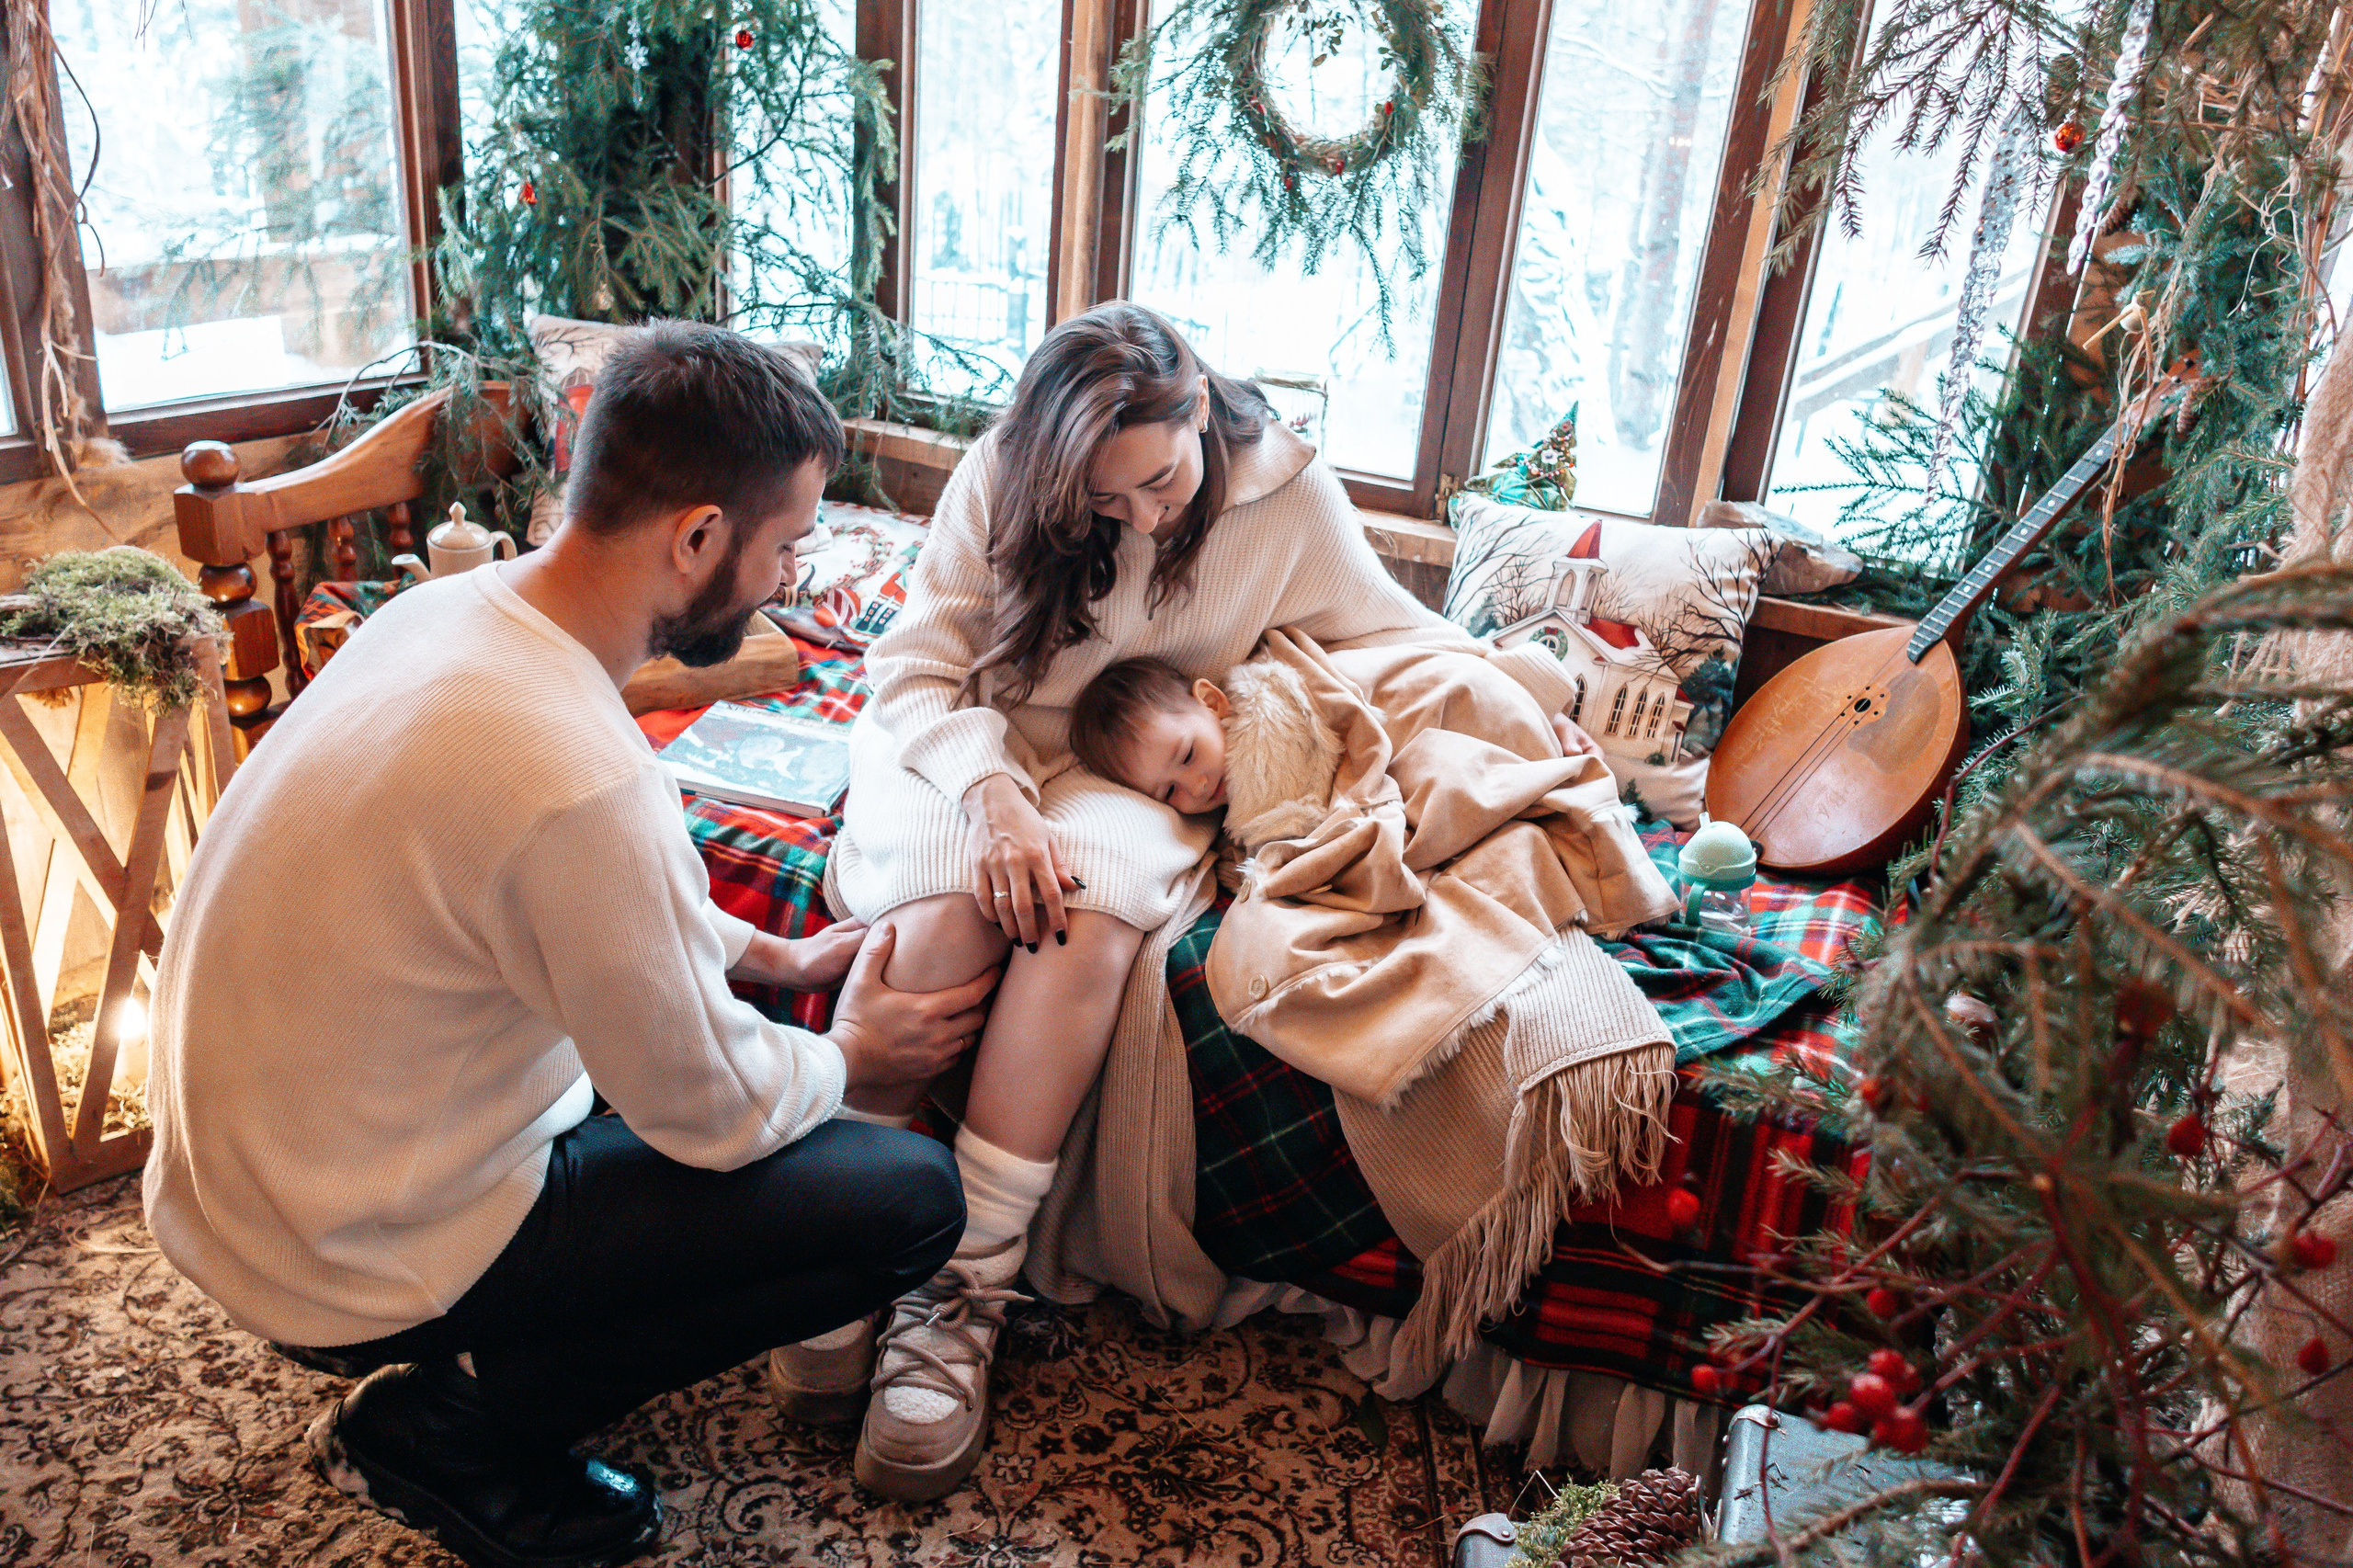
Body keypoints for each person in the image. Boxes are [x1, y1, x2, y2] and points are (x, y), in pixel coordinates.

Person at [142, 322, 997, 1568]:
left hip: (257, 1188)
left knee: (730, 1098)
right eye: (785, 543)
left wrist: (780, 959)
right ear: (699, 535)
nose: (787, 578)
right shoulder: (579, 771)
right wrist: (854, 1055)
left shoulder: (453, 612)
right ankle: (459, 1419)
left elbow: (581, 905)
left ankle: (483, 1356)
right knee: (910, 1201)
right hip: (349, 1242)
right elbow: (709, 1107)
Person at [790, 301, 1585, 1501]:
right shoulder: (1007, 470)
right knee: (948, 911)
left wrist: (1529, 686)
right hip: (964, 739)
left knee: (1084, 907)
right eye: (1107, 504)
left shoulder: (1287, 497)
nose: (1144, 517)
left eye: (1158, 480)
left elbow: (1394, 630)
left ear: (1200, 405)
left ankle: (962, 1295)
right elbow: (915, 664)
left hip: (1124, 767)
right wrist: (992, 794)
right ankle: (846, 1242)